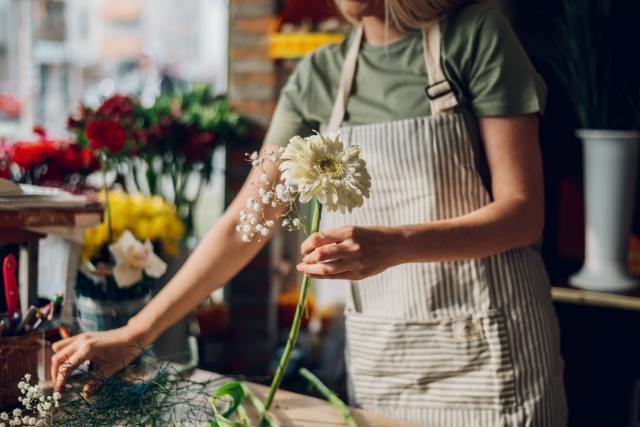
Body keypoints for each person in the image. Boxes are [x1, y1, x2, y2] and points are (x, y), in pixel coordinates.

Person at [51, 0, 568, 425]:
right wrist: (133, 334)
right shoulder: (318, 77)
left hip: (492, 358)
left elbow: (523, 214)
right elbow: (242, 225)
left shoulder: (476, 34)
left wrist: (396, 244)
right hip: (387, 363)